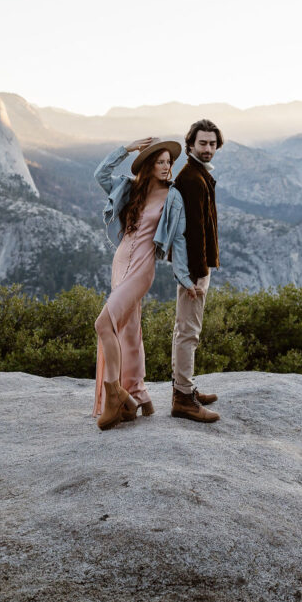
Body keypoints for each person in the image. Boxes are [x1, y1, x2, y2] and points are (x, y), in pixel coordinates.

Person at [92, 137, 202, 431]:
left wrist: (185, 278)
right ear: (149, 165)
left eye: (169, 162)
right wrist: (127, 148)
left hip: (142, 268)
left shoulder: (173, 198)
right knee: (127, 331)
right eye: (161, 162)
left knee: (104, 325)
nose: (167, 167)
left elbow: (178, 241)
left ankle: (115, 394)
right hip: (120, 262)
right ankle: (138, 397)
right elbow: (100, 174)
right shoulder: (130, 188)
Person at [170, 118, 224, 423]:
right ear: (190, 144)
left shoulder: (198, 174)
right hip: (194, 269)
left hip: (197, 266)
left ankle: (185, 387)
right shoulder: (191, 179)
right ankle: (183, 399)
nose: (208, 149)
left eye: (213, 144)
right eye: (202, 143)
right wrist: (197, 276)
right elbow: (192, 233)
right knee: (189, 332)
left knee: (185, 330)